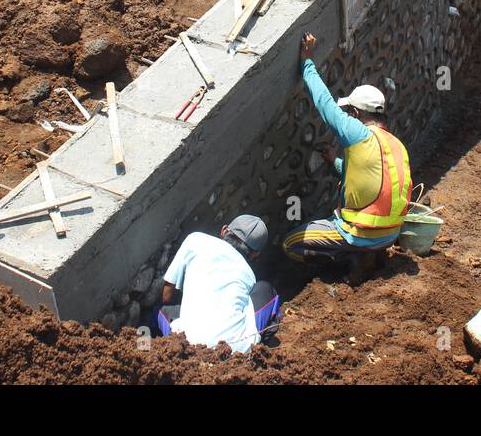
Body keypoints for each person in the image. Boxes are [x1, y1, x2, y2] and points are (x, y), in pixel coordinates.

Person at [282, 33, 412, 283]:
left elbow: (325, 105)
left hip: (362, 233)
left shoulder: (358, 132)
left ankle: (348, 258)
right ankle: (367, 254)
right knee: (357, 227)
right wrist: (334, 162)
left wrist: (307, 62)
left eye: (349, 113)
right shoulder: (396, 145)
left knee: (291, 244)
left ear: (354, 113)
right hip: (390, 234)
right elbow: (372, 184)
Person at [155, 214, 280, 353]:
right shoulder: (249, 275)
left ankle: (156, 348)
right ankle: (261, 347)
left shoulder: (195, 240)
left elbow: (166, 297)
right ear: (255, 254)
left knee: (159, 311)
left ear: (224, 230)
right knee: (266, 289)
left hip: (187, 347)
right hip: (237, 353)